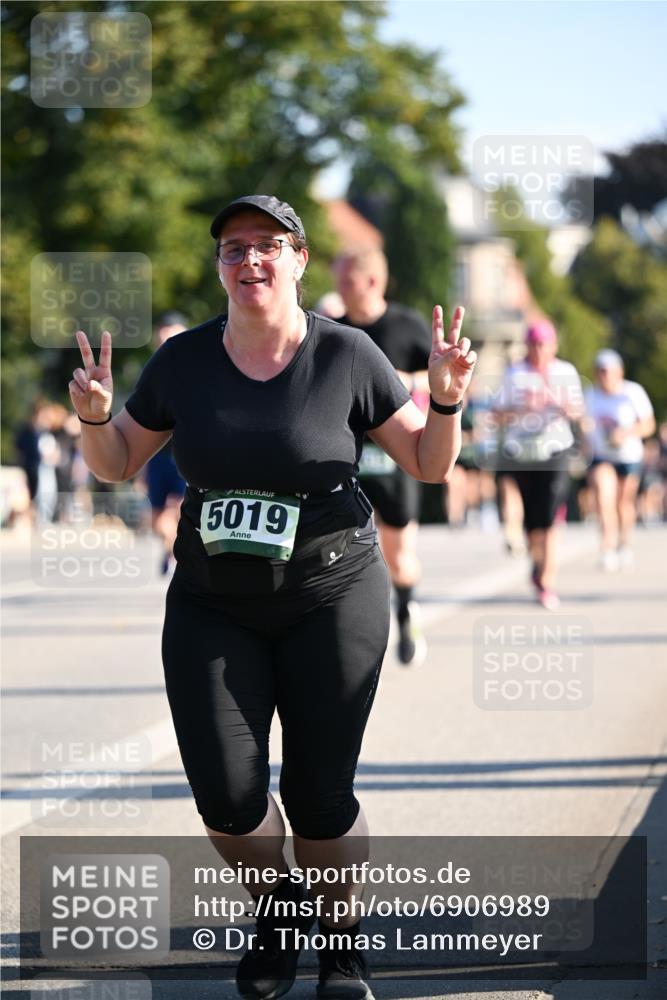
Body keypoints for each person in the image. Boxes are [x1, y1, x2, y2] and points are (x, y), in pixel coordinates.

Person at [68, 194, 476, 1000]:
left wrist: (446, 399)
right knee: (226, 798)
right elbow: (117, 462)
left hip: (332, 593)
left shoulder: (347, 354)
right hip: (212, 602)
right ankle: (280, 911)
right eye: (233, 247)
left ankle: (340, 944)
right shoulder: (184, 361)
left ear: (298, 260)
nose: (249, 258)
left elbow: (429, 464)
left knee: (318, 799)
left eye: (268, 244)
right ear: (220, 266)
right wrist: (94, 418)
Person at [333, 248, 433, 665]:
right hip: (344, 459)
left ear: (372, 281)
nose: (339, 289)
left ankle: (407, 611)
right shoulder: (333, 330)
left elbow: (447, 378)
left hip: (394, 458)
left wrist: (407, 380)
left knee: (399, 557)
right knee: (335, 553)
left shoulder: (407, 326)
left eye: (347, 281)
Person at [494, 319, 583, 609]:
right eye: (533, 344)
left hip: (555, 449)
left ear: (554, 345)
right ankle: (537, 562)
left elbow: (579, 410)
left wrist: (566, 408)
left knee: (550, 517)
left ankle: (547, 580)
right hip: (522, 452)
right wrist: (522, 409)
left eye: (543, 344)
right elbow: (496, 415)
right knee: (533, 523)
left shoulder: (565, 372)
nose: (538, 350)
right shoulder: (514, 374)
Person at [584, 349, 655, 570]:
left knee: (623, 503)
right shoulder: (590, 395)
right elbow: (583, 423)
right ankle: (607, 548)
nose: (604, 375)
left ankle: (624, 544)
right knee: (604, 500)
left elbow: (648, 425)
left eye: (608, 371)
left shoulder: (632, 392)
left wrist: (625, 434)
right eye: (601, 371)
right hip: (601, 456)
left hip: (628, 455)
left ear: (619, 372)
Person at [144, 312, 188, 573]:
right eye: (162, 341)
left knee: (177, 511)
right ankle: (172, 551)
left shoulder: (198, 372)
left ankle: (176, 556)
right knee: (157, 519)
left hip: (184, 458)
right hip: (157, 458)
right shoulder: (150, 374)